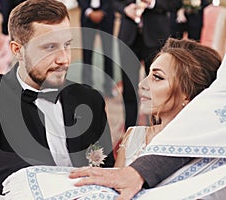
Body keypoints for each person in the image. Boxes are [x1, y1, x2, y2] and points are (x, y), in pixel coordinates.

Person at [0, 0, 115, 194]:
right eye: (49, 47)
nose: (64, 59)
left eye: (67, 45)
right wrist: (49, 178)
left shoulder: (90, 99)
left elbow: (105, 166)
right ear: (18, 50)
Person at [69, 38, 224, 199]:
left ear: (187, 94)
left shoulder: (208, 149)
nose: (142, 84)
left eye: (157, 77)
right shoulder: (133, 137)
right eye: (147, 74)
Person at [113, 0, 182, 131]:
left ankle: (156, 129)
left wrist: (153, 3)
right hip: (129, 37)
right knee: (129, 89)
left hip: (156, 38)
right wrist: (125, 9)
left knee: (157, 88)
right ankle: (130, 130)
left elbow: (176, 3)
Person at [77, 0, 116, 97]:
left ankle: (108, 88)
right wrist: (89, 11)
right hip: (87, 16)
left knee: (108, 53)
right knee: (87, 54)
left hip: (107, 15)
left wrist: (103, 11)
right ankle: (86, 87)